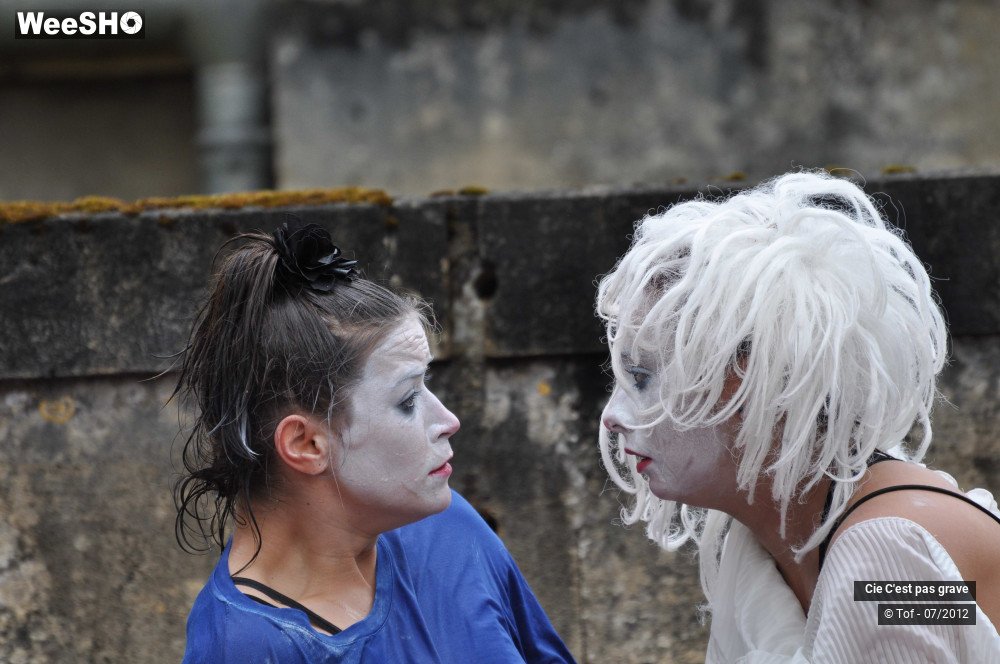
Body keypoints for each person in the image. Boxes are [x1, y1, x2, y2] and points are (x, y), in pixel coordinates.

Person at [596, 171, 1000, 662]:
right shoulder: (770, 540)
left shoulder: (890, 556)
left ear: (751, 380)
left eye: (642, 378)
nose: (612, 417)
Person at [173, 220, 575, 663]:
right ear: (306, 444)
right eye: (408, 399)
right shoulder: (241, 648)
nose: (449, 421)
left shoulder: (450, 531)